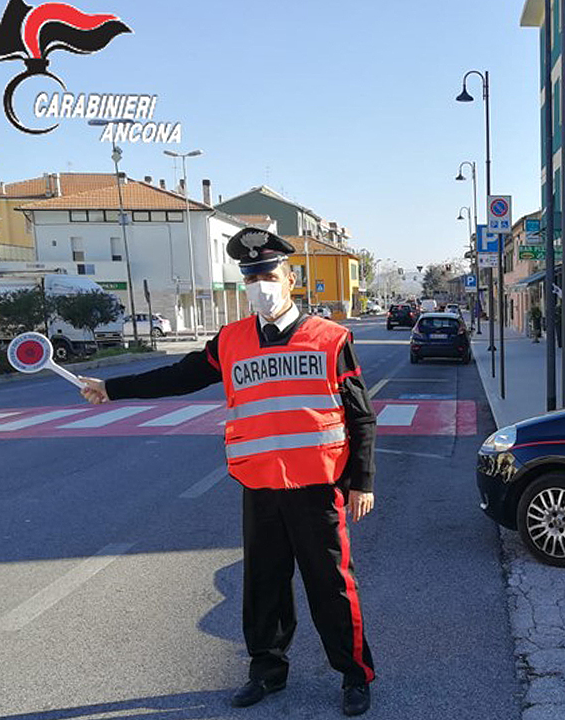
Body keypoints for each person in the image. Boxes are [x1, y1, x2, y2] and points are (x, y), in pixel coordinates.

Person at [78, 228, 377, 716]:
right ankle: (266, 671)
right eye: (252, 276)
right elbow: (179, 377)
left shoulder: (330, 339)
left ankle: (354, 675)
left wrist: (362, 481)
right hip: (259, 487)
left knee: (331, 585)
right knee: (264, 585)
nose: (262, 283)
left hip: (318, 488)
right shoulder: (232, 340)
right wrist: (111, 388)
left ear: (291, 278)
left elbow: (361, 415)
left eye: (270, 274)